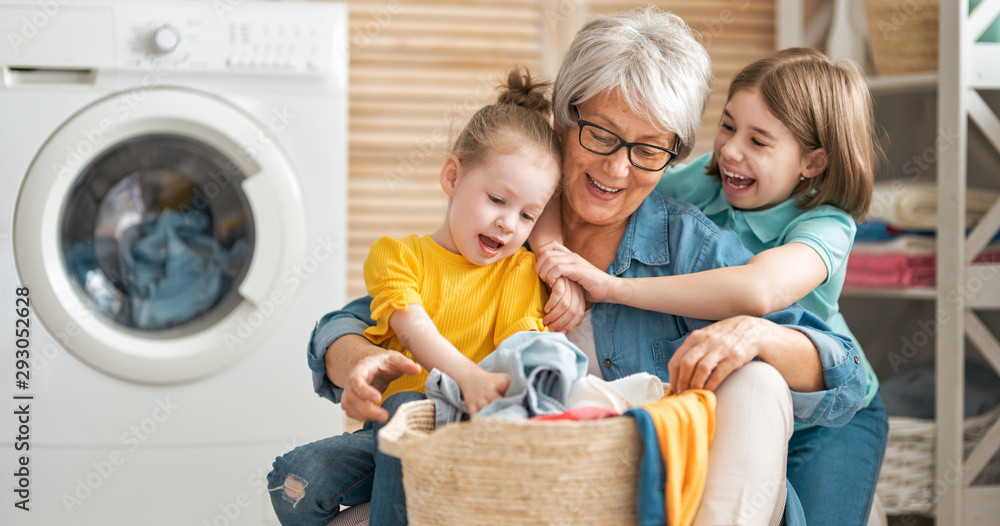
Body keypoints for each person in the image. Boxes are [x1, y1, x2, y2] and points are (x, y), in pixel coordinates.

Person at [293, 7, 878, 526]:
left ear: (672, 153)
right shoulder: (504, 223)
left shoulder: (690, 247)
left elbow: (845, 370)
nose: (618, 170)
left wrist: (757, 333)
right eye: (601, 134)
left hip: (660, 497)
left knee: (757, 373)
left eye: (649, 149)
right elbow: (346, 326)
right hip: (527, 489)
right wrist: (363, 362)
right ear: (562, 122)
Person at [532, 47, 887, 525]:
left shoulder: (826, 225)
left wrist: (608, 287)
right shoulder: (702, 183)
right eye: (727, 126)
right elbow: (567, 182)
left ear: (813, 162)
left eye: (759, 141)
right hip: (744, 388)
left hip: (827, 408)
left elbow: (759, 290)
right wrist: (557, 256)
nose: (730, 151)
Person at [267, 67, 562, 526]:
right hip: (387, 436)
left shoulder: (519, 272)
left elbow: (520, 348)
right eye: (497, 199)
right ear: (451, 177)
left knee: (411, 406)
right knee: (291, 480)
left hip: (468, 433)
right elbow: (412, 324)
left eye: (528, 214)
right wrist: (468, 374)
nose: (509, 224)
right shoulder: (397, 256)